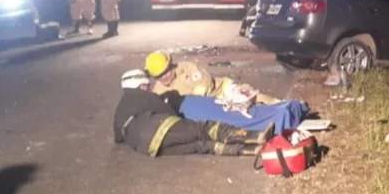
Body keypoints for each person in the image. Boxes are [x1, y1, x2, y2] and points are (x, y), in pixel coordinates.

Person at [114, 70, 274, 157]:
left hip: (148, 148)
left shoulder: (120, 109)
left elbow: (118, 137)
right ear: (141, 86)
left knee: (202, 146)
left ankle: (249, 151)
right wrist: (181, 123)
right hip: (157, 129)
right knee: (204, 129)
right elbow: (167, 113)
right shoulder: (144, 96)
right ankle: (254, 136)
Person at [144, 50, 281, 104]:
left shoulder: (186, 68)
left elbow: (205, 84)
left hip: (221, 91)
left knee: (248, 98)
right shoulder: (158, 91)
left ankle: (280, 104)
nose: (164, 77)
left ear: (171, 66)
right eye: (159, 76)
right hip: (210, 108)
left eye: (166, 72)